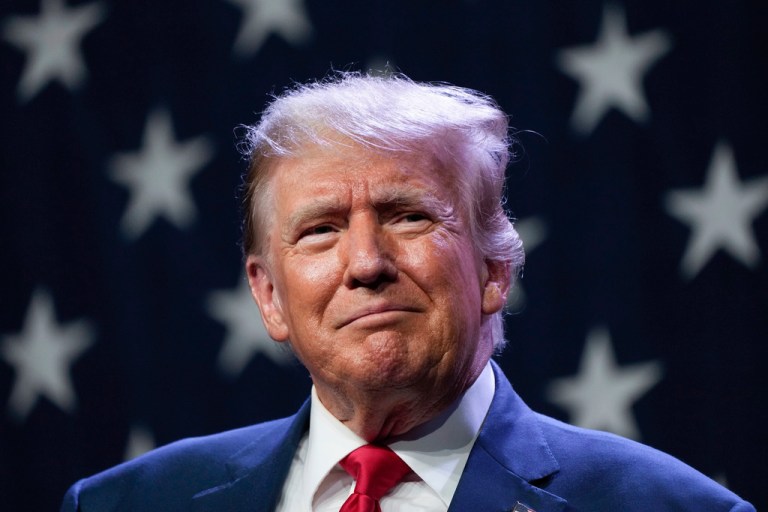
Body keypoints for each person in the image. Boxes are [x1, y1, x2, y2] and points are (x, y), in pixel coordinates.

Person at [61, 73, 754, 511]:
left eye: (408, 216)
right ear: (268, 296)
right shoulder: (127, 502)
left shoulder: (669, 507)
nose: (365, 262)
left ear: (493, 270)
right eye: (321, 230)